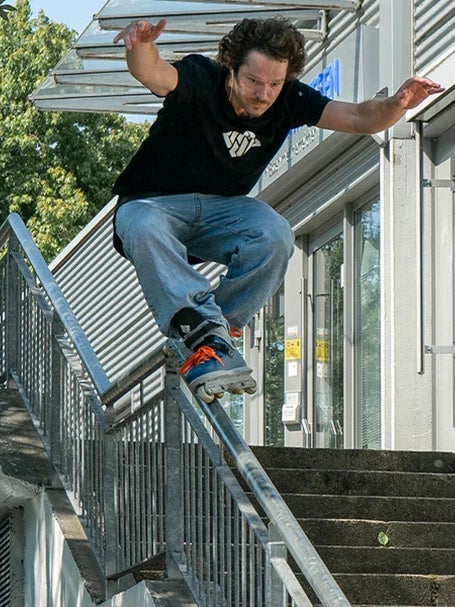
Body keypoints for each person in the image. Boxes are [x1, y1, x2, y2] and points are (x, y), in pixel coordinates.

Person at [112, 17, 443, 399]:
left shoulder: (289, 100)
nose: (263, 94)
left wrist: (397, 104)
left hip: (222, 212)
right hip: (153, 203)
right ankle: (198, 326)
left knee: (275, 233)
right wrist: (140, 47)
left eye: (274, 84)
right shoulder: (202, 78)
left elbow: (358, 117)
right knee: (140, 223)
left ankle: (215, 338)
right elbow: (155, 74)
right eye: (253, 81)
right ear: (231, 69)